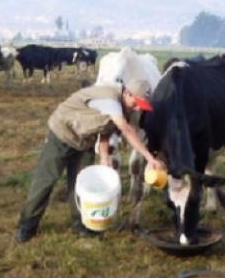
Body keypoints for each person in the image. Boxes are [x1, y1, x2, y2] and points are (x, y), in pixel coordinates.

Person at [15, 79, 165, 243]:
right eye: (136, 104)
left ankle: (81, 224)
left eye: (141, 106)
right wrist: (150, 158)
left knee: (81, 184)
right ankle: (27, 226)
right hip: (62, 134)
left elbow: (106, 129)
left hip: (85, 139)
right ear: (127, 93)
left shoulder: (124, 105)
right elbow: (126, 130)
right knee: (46, 181)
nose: (137, 109)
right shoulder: (110, 100)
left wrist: (104, 157)